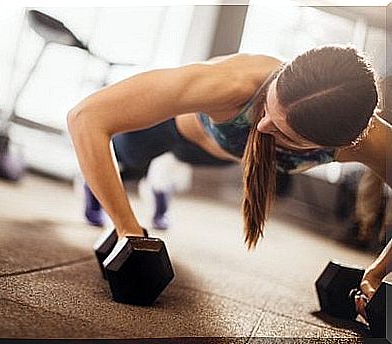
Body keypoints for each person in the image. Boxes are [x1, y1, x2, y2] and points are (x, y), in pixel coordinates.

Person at [67, 45, 391, 322]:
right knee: (125, 156)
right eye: (267, 107)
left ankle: (162, 176)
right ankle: (106, 176)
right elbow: (86, 117)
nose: (262, 125)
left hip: (218, 157)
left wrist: (377, 272)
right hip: (168, 131)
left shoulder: (367, 141)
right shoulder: (231, 82)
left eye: (284, 133)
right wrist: (128, 229)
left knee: (261, 182)